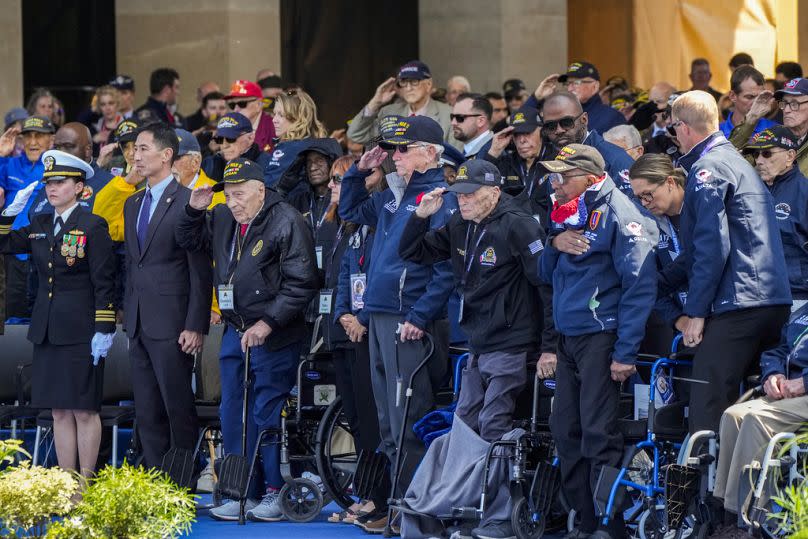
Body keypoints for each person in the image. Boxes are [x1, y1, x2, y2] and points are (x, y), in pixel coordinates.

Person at [400, 159, 544, 539]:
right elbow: (413, 253)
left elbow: (545, 288)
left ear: (494, 193)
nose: (462, 201)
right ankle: (460, 502)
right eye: (459, 194)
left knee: (494, 423)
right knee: (463, 421)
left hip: (512, 342)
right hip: (477, 342)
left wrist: (551, 347)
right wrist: (420, 216)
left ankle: (497, 514)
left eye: (471, 194)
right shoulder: (459, 223)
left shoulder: (518, 223)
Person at [176, 158, 318, 522]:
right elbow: (189, 242)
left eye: (240, 195)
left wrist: (268, 323)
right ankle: (241, 491)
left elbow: (302, 282)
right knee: (232, 411)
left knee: (265, 410)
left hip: (274, 333)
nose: (233, 202)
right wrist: (194, 211)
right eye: (229, 196)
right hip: (235, 329)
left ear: (260, 190)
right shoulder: (224, 216)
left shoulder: (287, 219)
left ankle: (273, 490)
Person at [339, 116, 456, 531]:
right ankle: (397, 508)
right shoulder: (392, 193)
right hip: (381, 315)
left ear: (429, 152)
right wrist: (358, 170)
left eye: (403, 149)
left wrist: (420, 316)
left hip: (411, 322)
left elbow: (446, 268)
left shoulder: (440, 196)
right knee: (389, 422)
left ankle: (416, 515)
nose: (394, 156)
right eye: (392, 149)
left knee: (409, 419)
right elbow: (350, 209)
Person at [539, 144, 658, 539]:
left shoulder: (622, 214)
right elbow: (541, 271)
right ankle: (585, 520)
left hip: (601, 339)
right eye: (552, 176)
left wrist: (625, 352)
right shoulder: (566, 211)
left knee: (597, 432)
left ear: (590, 179)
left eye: (562, 177)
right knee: (565, 431)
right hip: (568, 336)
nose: (554, 185)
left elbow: (639, 286)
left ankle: (612, 523)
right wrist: (555, 243)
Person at [663, 91, 791, 433]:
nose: (674, 136)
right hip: (773, 301)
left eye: (673, 128)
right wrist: (661, 281)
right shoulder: (737, 162)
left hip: (740, 303)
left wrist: (696, 312)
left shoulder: (708, 168)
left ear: (683, 127)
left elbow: (711, 246)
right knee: (753, 403)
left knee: (705, 399)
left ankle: (701, 485)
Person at [0, 150, 116, 479]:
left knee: (83, 409)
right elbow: (3, 243)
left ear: (80, 188)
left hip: (81, 331)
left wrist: (103, 327)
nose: (52, 188)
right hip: (48, 329)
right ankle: (67, 483)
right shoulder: (39, 223)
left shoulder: (92, 224)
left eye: (61, 182)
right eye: (49, 182)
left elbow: (104, 280)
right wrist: (9, 212)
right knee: (59, 411)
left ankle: (85, 481)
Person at [123, 123, 212, 468]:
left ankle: (181, 483)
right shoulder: (132, 204)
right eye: (135, 149)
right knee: (146, 409)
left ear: (166, 155)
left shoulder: (187, 202)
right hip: (139, 321)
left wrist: (196, 323)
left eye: (144, 148)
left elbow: (200, 269)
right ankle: (155, 483)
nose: (136, 155)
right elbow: (134, 264)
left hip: (175, 322)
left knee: (177, 406)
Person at [712, 302, 808, 534]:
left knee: (756, 420)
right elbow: (778, 350)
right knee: (732, 415)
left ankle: (748, 520)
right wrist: (772, 374)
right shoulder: (802, 313)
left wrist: (805, 382)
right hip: (787, 393)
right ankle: (726, 512)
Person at [743, 126, 808, 308]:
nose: (759, 161)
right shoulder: (751, 191)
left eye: (767, 154)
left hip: (798, 297)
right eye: (756, 155)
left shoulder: (804, 193)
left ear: (790, 156)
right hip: (757, 298)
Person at [627, 154, 687, 354]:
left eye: (648, 194)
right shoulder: (650, 224)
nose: (644, 203)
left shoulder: (699, 210)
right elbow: (649, 282)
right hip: (682, 325)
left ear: (669, 182)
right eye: (639, 198)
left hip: (715, 316)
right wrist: (677, 318)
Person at [0, 115, 55, 319]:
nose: (32, 142)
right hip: (14, 252)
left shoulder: (57, 166)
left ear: (51, 139)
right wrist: (0, 154)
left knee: (44, 315)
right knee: (14, 316)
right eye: (28, 136)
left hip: (47, 252)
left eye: (39, 136)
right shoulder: (9, 164)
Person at [540, 91, 635, 197]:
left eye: (566, 123)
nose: (559, 130)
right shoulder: (547, 162)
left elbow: (634, 210)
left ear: (584, 119)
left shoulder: (615, 160)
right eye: (550, 126)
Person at [346, 60, 458, 148]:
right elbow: (355, 135)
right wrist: (375, 103)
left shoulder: (448, 114)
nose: (408, 88)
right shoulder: (389, 112)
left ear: (428, 84)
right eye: (404, 82)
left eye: (415, 81)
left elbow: (455, 156)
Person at [484, 106, 549, 205]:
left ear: (541, 132)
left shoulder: (557, 159)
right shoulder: (505, 163)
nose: (522, 140)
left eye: (527, 133)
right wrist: (493, 152)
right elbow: (479, 187)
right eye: (517, 134)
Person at [201, 112, 272, 184]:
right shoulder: (209, 164)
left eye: (231, 139)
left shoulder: (269, 164)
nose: (224, 146)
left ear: (250, 138)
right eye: (220, 139)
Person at [558, 61, 626, 134]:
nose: (569, 89)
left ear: (595, 86)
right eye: (567, 83)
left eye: (576, 83)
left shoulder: (613, 117)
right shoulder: (561, 115)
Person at [719, 65, 777, 143]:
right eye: (750, 97)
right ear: (732, 96)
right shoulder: (717, 133)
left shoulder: (775, 130)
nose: (756, 102)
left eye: (760, 97)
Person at [172, 128, 224, 206]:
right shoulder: (154, 190)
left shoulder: (218, 197)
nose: (167, 164)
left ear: (195, 162)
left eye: (176, 158)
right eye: (165, 157)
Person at [224, 79, 276, 153]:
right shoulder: (226, 128)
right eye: (232, 105)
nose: (235, 110)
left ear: (259, 105)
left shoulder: (274, 127)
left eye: (242, 104)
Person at [775, 78, 808, 177]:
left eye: (794, 104)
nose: (786, 110)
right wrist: (751, 119)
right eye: (784, 103)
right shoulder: (772, 135)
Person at [451, 93, 493, 158]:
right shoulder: (461, 149)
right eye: (452, 116)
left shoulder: (493, 153)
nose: (453, 122)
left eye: (460, 117)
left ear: (481, 121)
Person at [91, 86, 124, 152]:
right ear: (99, 107)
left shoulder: (128, 126)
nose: (107, 108)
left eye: (111, 103)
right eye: (103, 104)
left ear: (117, 104)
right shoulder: (94, 129)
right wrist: (94, 141)